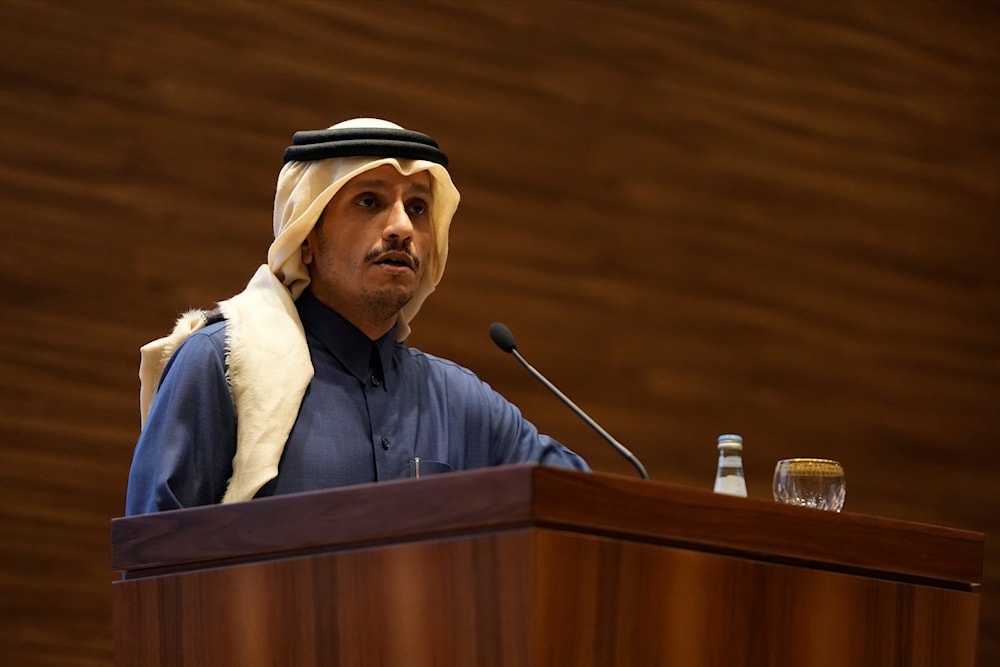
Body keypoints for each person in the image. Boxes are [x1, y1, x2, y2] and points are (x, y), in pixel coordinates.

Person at [125, 118, 589, 515]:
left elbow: (583, 502)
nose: (403, 228)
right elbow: (157, 574)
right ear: (307, 237)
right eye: (370, 202)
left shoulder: (461, 403)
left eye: (418, 207)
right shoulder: (222, 365)